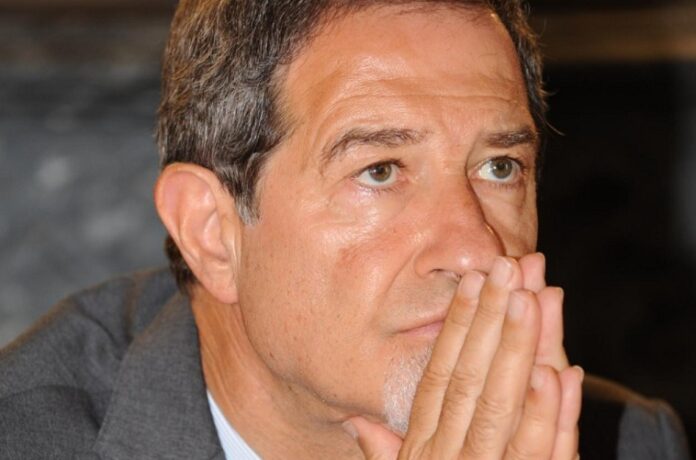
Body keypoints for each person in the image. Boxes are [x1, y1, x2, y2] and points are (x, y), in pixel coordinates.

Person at [0, 0, 691, 459]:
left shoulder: (626, 442)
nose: (474, 250)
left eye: (500, 166)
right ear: (212, 232)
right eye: (381, 171)